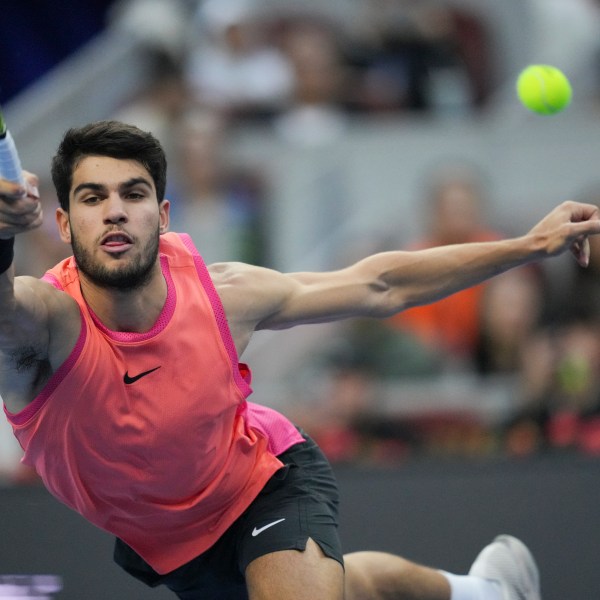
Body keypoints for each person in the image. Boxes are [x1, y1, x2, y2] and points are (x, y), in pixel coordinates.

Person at [2, 121, 597, 600]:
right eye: (92, 197)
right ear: (62, 223)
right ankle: (484, 592)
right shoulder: (43, 325)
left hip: (264, 481)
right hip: (175, 546)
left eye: (133, 194)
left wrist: (528, 245)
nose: (114, 211)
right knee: (352, 586)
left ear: (161, 216)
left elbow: (380, 285)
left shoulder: (221, 296)